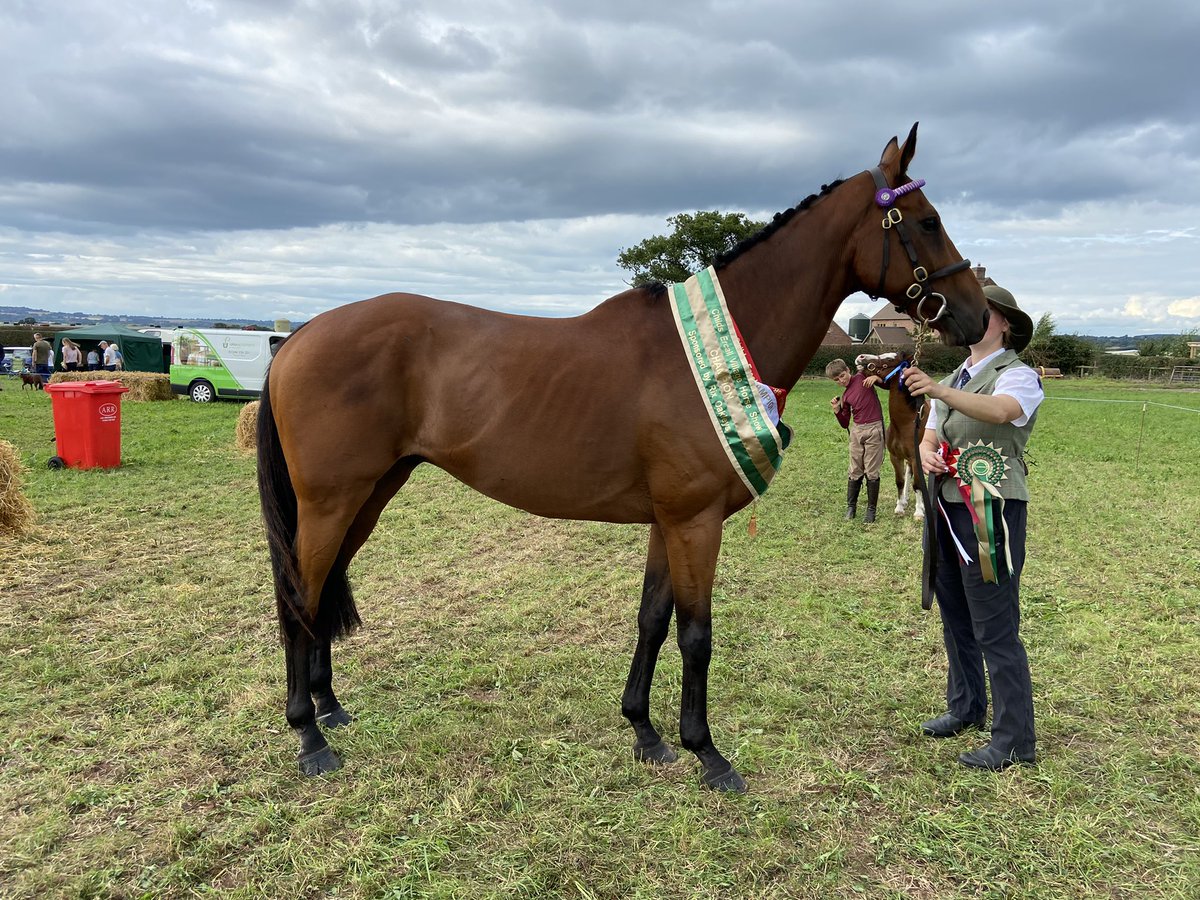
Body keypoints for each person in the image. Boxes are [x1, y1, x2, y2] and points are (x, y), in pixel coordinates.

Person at [900, 284, 1043, 771]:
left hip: (992, 511)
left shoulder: (1019, 376)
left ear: (1003, 323)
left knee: (995, 625)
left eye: (983, 312)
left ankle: (1015, 738)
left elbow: (1002, 412)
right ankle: (966, 707)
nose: (970, 317)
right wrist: (926, 451)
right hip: (946, 507)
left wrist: (938, 390)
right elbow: (930, 433)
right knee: (956, 614)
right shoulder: (957, 374)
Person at [826, 357, 885, 522]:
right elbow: (845, 423)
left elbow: (887, 384)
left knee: (872, 471)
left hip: (874, 428)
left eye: (842, 376)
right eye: (836, 380)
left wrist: (877, 378)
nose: (841, 380)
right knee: (855, 470)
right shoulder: (845, 396)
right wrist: (837, 410)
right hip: (857, 431)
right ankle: (851, 508)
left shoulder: (863, 376)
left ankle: (871, 511)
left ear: (848, 370)